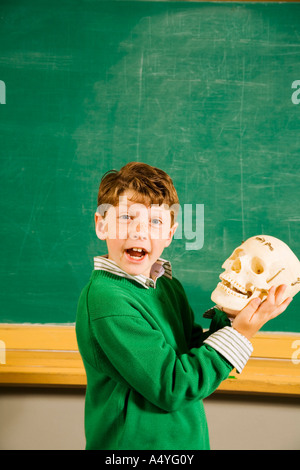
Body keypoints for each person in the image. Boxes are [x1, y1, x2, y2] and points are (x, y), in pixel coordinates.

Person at [76, 161, 292, 450]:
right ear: (101, 225)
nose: (140, 231)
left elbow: (191, 354)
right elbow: (173, 385)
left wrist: (230, 317)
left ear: (170, 232)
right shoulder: (108, 299)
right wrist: (240, 334)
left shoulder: (165, 284)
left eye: (155, 222)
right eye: (126, 217)